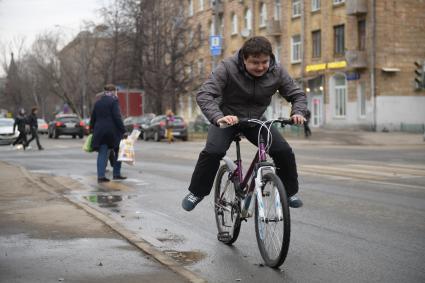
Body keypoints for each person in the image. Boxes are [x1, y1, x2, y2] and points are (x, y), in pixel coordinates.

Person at [182, 36, 307, 212]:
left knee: (283, 151)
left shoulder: (276, 71)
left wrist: (298, 112)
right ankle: (196, 192)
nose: (261, 67)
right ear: (244, 59)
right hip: (226, 119)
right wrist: (219, 117)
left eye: (265, 62)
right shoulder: (227, 67)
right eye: (255, 62)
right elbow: (205, 94)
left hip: (255, 120)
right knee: (213, 151)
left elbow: (297, 95)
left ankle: (289, 192)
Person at [89, 84, 127, 183]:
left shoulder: (98, 103)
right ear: (114, 91)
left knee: (102, 153)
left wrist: (91, 129)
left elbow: (93, 118)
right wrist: (123, 130)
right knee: (118, 151)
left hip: (99, 131)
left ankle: (101, 176)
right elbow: (117, 117)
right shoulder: (114, 101)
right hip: (112, 132)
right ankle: (116, 174)